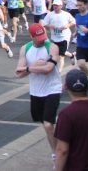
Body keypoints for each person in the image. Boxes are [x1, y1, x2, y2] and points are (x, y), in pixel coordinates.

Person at [15, 23, 61, 160]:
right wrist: (36, 66)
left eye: (43, 36)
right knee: (46, 124)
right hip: (36, 91)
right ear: (31, 36)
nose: (42, 39)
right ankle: (59, 144)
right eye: (38, 37)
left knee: (48, 124)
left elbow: (48, 69)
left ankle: (56, 155)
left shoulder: (52, 47)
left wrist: (29, 69)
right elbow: (18, 73)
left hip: (53, 88)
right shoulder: (25, 48)